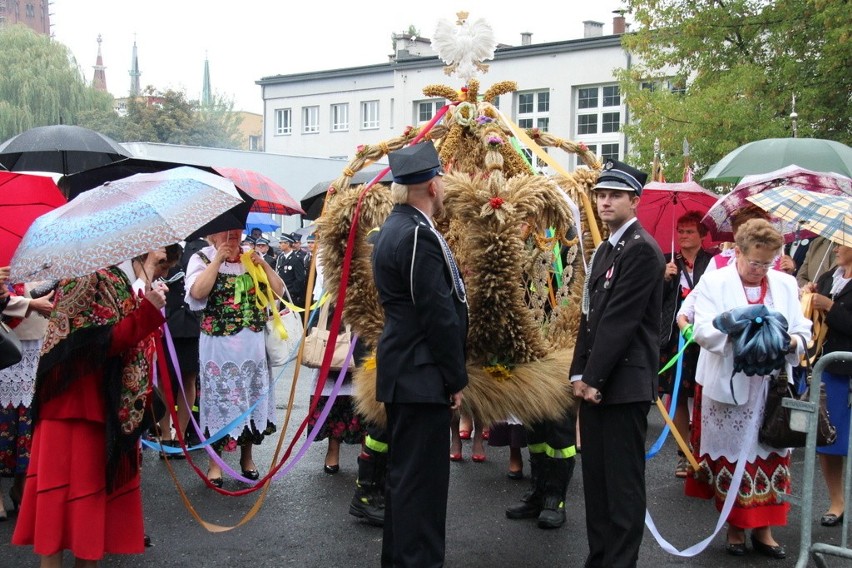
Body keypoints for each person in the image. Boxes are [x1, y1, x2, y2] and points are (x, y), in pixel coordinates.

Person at [11, 266, 167, 567]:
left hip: (68, 409)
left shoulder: (88, 276)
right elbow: (103, 344)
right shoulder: (90, 278)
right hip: (84, 412)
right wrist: (149, 309)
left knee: (61, 523)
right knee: (83, 524)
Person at [685, 218, 811, 559]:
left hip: (770, 388)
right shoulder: (715, 281)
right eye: (755, 261)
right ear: (738, 252)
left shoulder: (784, 284)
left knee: (772, 452)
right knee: (735, 456)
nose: (760, 269)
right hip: (729, 385)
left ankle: (766, 530)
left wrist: (790, 339)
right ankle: (736, 527)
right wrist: (739, 331)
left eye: (767, 262)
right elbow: (702, 329)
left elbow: (803, 328)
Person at [372, 141, 468, 567]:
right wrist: (455, 378)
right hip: (421, 375)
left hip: (406, 372)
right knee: (422, 490)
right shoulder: (416, 235)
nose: (443, 185)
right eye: (441, 178)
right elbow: (438, 314)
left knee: (404, 483)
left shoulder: (397, 227)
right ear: (432, 184)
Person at [569, 159, 664, 567]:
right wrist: (578, 372)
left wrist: (592, 378)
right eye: (601, 195)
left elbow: (620, 321)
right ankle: (600, 559)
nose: (605, 202)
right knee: (598, 485)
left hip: (622, 385)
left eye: (614, 196)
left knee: (622, 489)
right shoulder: (609, 247)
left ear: (634, 201)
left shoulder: (641, 249)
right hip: (597, 382)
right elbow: (589, 318)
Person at [186, 228, 284, 488]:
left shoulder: (251, 258)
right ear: (212, 236)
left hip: (252, 345)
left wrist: (262, 264)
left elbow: (279, 292)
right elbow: (197, 293)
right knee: (218, 402)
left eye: (237, 231)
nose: (233, 237)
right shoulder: (201, 258)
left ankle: (247, 458)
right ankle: (215, 464)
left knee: (250, 399)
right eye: (226, 232)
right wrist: (218, 260)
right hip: (219, 346)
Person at [660, 211, 714, 478]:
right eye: (680, 231)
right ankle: (683, 452)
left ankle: (705, 451)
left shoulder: (714, 261)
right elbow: (652, 299)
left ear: (702, 235)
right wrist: (664, 279)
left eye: (689, 231)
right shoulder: (667, 260)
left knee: (704, 394)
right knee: (677, 394)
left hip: (702, 334)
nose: (683, 235)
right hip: (674, 335)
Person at [805, 242, 852, 528]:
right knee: (828, 440)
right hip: (827, 370)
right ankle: (837, 502)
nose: (835, 247)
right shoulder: (827, 276)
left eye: (842, 243)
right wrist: (809, 298)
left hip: (848, 368)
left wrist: (832, 307)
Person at [0, 283, 53, 520]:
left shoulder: (45, 249)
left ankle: (21, 487)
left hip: (37, 338)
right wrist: (29, 303)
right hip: (4, 336)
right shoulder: (6, 248)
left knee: (28, 417)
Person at [159, 238, 206, 450]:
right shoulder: (160, 242)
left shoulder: (202, 246)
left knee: (189, 377)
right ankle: (164, 432)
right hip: (164, 319)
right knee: (163, 377)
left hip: (191, 322)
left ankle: (180, 432)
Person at [275, 233, 308, 309]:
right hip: (281, 293)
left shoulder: (296, 259)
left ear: (287, 244)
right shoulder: (280, 257)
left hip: (291, 294)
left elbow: (300, 278)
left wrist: (292, 291)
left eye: (281, 243)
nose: (279, 245)